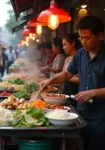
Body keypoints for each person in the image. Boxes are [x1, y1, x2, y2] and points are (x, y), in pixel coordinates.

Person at [40, 16, 105, 150]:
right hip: (80, 115)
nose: (83, 42)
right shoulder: (81, 54)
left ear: (100, 35)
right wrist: (50, 80)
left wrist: (93, 93)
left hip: (101, 119)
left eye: (87, 38)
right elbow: (67, 74)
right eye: (81, 38)